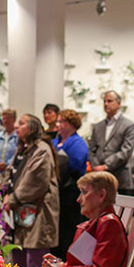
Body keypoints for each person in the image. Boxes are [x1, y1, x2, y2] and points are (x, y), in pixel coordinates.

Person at [41, 171, 128, 267]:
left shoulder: (109, 224)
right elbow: (85, 266)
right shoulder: (96, 223)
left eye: (85, 192)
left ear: (102, 195)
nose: (78, 199)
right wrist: (59, 265)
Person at [5, 114, 59, 267]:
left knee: (35, 260)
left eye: (21, 123)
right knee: (19, 255)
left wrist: (12, 199)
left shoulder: (41, 149)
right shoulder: (23, 149)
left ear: (32, 128)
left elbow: (34, 182)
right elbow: (12, 173)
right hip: (22, 210)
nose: (16, 126)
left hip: (38, 210)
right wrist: (6, 193)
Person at [50, 109, 88, 259]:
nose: (58, 124)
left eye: (62, 121)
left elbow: (75, 165)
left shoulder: (78, 142)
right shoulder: (54, 141)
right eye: (58, 121)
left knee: (67, 230)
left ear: (72, 124)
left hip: (69, 193)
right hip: (55, 192)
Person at [88, 91, 134, 195]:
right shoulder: (97, 127)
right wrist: (96, 167)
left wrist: (106, 166)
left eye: (109, 101)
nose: (106, 104)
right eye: (104, 101)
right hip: (100, 179)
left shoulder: (129, 125)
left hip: (120, 179)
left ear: (118, 104)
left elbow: (126, 151)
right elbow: (91, 150)